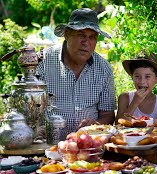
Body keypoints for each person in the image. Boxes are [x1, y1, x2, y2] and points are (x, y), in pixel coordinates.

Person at [36, 8, 116, 136]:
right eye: (81, 35)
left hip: (87, 145)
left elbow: (108, 115)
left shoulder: (104, 68)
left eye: (92, 37)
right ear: (67, 34)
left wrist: (95, 125)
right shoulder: (43, 63)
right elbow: (29, 109)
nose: (86, 43)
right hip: (48, 144)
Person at [116, 50, 157, 120]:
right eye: (137, 76)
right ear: (132, 77)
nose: (142, 81)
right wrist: (135, 102)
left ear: (156, 79)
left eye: (147, 76)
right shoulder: (125, 98)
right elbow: (118, 123)